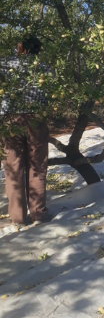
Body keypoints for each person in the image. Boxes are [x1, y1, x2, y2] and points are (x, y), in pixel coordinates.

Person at [1, 36, 52, 228]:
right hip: (36, 118)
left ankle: (18, 218)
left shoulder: (5, 64)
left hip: (10, 119)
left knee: (13, 168)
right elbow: (50, 94)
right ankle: (39, 213)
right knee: (37, 165)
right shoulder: (46, 68)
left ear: (22, 48)